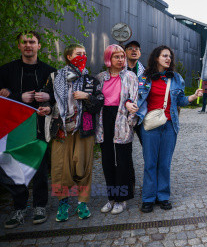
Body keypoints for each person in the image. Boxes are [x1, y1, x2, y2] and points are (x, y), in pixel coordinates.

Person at [39, 44, 104, 222]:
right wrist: (44, 107)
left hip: (84, 129)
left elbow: (100, 101)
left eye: (84, 54)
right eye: (78, 54)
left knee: (83, 167)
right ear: (68, 56)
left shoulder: (91, 80)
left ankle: (82, 203)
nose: (82, 56)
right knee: (60, 169)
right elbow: (47, 96)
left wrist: (87, 96)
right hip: (61, 130)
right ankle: (63, 204)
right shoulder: (54, 77)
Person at [136, 46, 203, 213]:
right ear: (156, 58)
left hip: (169, 125)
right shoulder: (145, 77)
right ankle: (148, 198)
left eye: (170, 56)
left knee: (164, 163)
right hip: (150, 125)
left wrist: (193, 97)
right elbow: (136, 97)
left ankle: (163, 196)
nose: (168, 59)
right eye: (164, 56)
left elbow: (180, 100)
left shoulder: (176, 78)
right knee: (150, 163)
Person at [0, 31, 56, 228]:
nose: (28, 45)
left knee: (40, 170)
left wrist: (48, 101)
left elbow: (59, 100)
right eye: (24, 42)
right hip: (14, 129)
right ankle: (19, 207)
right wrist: (16, 97)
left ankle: (40, 206)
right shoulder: (6, 71)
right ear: (19, 46)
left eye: (32, 42)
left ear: (39, 46)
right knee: (15, 168)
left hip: (40, 127)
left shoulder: (50, 71)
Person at [95, 45, 139, 215]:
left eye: (122, 56)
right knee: (107, 160)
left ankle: (122, 199)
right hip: (104, 118)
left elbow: (134, 97)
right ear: (108, 59)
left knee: (122, 160)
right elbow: (96, 99)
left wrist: (130, 120)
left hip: (121, 117)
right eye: (116, 57)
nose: (121, 59)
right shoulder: (100, 77)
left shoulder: (130, 76)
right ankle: (111, 197)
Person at [124, 40, 145, 145]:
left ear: (140, 53)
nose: (134, 50)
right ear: (125, 52)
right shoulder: (119, 70)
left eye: (136, 49)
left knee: (145, 143)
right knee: (125, 146)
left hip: (140, 112)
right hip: (123, 112)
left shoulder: (145, 72)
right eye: (130, 48)